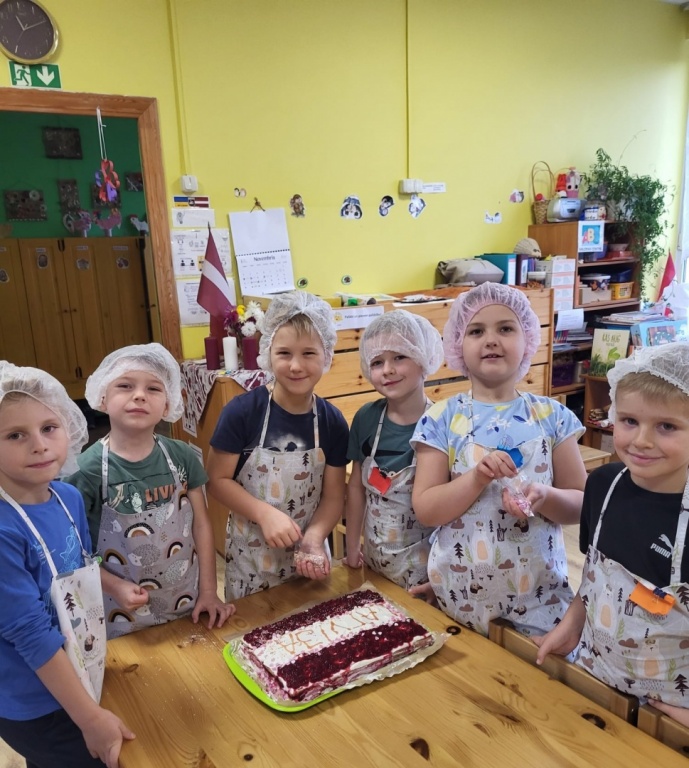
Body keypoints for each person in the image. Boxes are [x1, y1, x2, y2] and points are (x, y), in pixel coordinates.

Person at [411, 282, 587, 636]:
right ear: (458, 344)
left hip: (540, 601)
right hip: (458, 597)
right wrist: (476, 478)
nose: (491, 340)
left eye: (505, 328)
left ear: (528, 340)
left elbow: (583, 505)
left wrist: (546, 497)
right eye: (476, 331)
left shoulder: (552, 417)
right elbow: (427, 509)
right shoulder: (441, 419)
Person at [534, 342, 689, 727]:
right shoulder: (603, 485)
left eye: (667, 426)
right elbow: (594, 576)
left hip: (669, 713)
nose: (641, 440)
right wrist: (570, 627)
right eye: (629, 420)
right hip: (595, 680)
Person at [0, 362, 134, 768]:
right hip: (34, 702)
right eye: (15, 435)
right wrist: (90, 719)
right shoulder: (4, 529)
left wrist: (114, 586)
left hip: (79, 668)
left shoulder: (67, 497)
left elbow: (78, 565)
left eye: (49, 427)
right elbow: (29, 632)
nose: (39, 445)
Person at [67, 343, 235, 639]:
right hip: (120, 612)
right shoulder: (87, 471)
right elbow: (74, 552)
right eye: (125, 385)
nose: (140, 395)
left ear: (168, 405)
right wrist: (115, 586)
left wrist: (209, 591)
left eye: (154, 388)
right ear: (102, 397)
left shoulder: (181, 456)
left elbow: (201, 525)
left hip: (186, 601)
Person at [207, 291, 349, 600]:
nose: (296, 365)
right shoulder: (242, 413)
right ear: (268, 353)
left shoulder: (332, 422)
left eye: (309, 353)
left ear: (326, 355)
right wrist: (264, 514)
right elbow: (216, 481)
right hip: (251, 564)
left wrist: (313, 539)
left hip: (308, 563)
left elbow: (333, 497)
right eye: (284, 353)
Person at [345, 310, 443, 589]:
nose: (387, 369)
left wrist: (444, 578)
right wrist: (352, 549)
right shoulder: (366, 418)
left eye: (399, 357)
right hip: (373, 567)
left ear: (424, 358)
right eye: (377, 362)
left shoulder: (442, 422)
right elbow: (356, 488)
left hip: (427, 576)